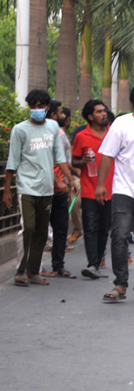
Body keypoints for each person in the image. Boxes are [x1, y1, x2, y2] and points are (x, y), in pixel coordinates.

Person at [4, 90, 74, 286]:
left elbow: (59, 157)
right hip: (26, 187)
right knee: (29, 228)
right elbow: (12, 161)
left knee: (42, 232)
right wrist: (7, 190)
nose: (36, 109)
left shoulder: (52, 127)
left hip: (46, 188)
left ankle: (33, 271)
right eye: (33, 106)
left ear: (47, 107)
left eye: (40, 106)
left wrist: (70, 180)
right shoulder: (20, 130)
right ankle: (21, 270)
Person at [96, 84, 134, 302]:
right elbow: (107, 155)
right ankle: (120, 284)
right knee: (120, 235)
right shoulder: (122, 123)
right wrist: (100, 185)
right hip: (124, 190)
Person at [72, 99, 114, 279]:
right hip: (89, 189)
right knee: (90, 227)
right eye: (99, 111)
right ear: (90, 116)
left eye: (104, 111)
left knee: (104, 228)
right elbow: (74, 160)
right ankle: (93, 264)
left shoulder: (113, 133)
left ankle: (98, 260)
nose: (104, 114)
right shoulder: (81, 136)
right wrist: (82, 162)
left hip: (111, 189)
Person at [41, 100, 76, 279]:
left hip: (60, 188)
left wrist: (70, 181)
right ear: (53, 114)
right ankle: (37, 267)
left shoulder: (59, 133)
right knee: (40, 229)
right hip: (44, 188)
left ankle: (58, 266)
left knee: (61, 228)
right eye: (61, 113)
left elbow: (63, 160)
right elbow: (43, 161)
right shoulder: (45, 134)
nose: (64, 116)